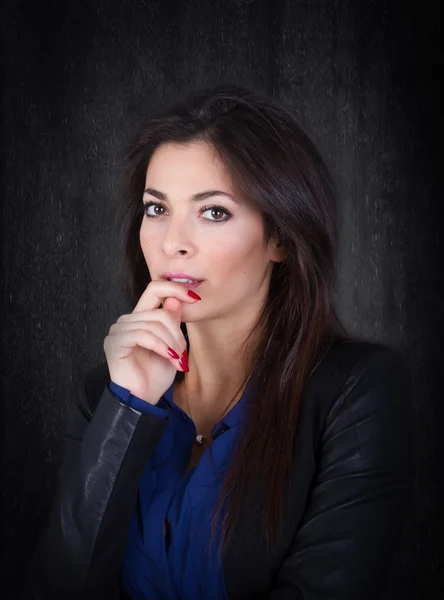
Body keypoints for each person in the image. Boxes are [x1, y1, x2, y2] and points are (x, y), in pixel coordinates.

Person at [22, 83, 413, 600]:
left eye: (213, 212)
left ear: (280, 238)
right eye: (156, 208)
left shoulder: (356, 392)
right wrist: (129, 407)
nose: (172, 242)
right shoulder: (107, 395)